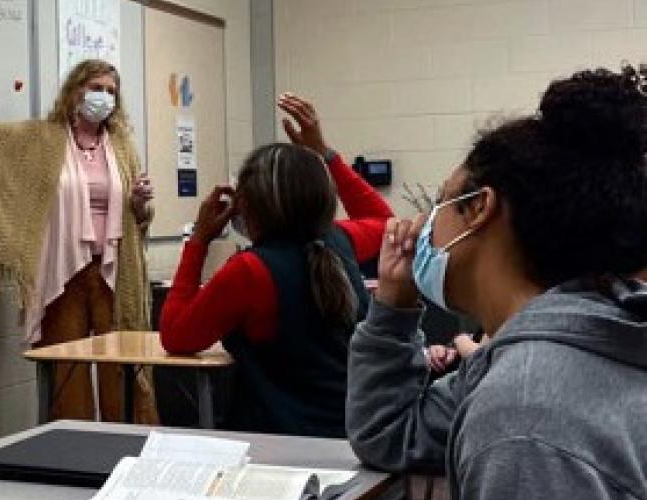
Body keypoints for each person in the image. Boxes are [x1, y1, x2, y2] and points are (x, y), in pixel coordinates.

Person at [347, 66, 647, 499]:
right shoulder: (588, 337)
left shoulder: (523, 412)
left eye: (440, 203)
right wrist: (393, 308)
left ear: (478, 209)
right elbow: (393, 435)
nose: (423, 225)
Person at [0, 59, 156, 423]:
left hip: (115, 271)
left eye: (111, 92)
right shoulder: (45, 139)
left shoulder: (122, 147)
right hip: (63, 271)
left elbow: (142, 218)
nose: (103, 98)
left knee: (121, 365)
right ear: (75, 92)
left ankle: (131, 447)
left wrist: (139, 204)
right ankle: (71, 449)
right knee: (66, 367)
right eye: (96, 89)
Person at [159, 94, 394, 438]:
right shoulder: (340, 240)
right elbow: (383, 220)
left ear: (249, 207)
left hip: (279, 441)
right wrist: (327, 155)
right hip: (354, 431)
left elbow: (176, 335)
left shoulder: (249, 271)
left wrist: (198, 241)